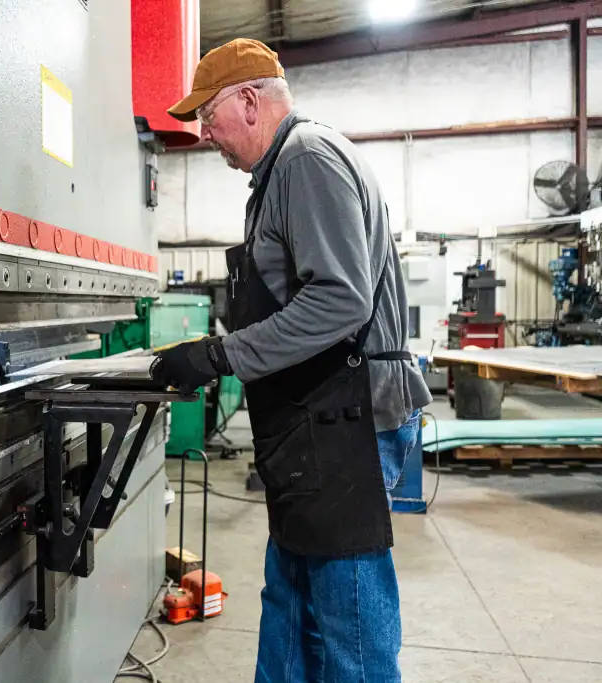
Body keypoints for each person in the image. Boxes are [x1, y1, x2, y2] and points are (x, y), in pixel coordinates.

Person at [149, 39, 433, 683]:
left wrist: (219, 355)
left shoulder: (308, 158)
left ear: (247, 102)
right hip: (310, 423)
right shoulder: (281, 170)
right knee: (290, 600)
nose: (204, 136)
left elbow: (339, 302)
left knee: (347, 626)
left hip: (346, 423)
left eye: (208, 118)